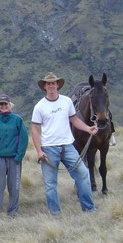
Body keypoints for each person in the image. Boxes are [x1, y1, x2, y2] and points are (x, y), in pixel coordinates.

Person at [31, 72, 98, 215]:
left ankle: (89, 208)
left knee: (83, 174)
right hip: (48, 148)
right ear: (45, 86)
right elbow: (35, 130)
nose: (51, 86)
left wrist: (88, 128)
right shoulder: (39, 106)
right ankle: (55, 213)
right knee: (50, 184)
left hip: (68, 146)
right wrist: (39, 151)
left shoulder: (66, 101)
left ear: (57, 85)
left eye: (53, 83)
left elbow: (74, 120)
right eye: (48, 83)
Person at [0, 94, 28, 220]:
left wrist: (19, 156)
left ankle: (12, 213)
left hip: (14, 159)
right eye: (1, 104)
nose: (3, 106)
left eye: (6, 104)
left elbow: (24, 139)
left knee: (14, 187)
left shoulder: (17, 120)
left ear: (10, 105)